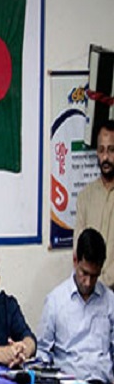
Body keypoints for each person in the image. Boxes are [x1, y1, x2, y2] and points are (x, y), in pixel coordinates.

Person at [37, 228, 114, 384]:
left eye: (94, 276)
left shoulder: (110, 301)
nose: (88, 282)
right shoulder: (55, 301)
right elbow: (42, 352)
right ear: (75, 261)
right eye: (84, 273)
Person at [75, 119, 114, 288]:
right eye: (101, 150)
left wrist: (103, 286)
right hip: (89, 292)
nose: (105, 157)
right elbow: (78, 249)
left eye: (111, 150)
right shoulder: (85, 197)